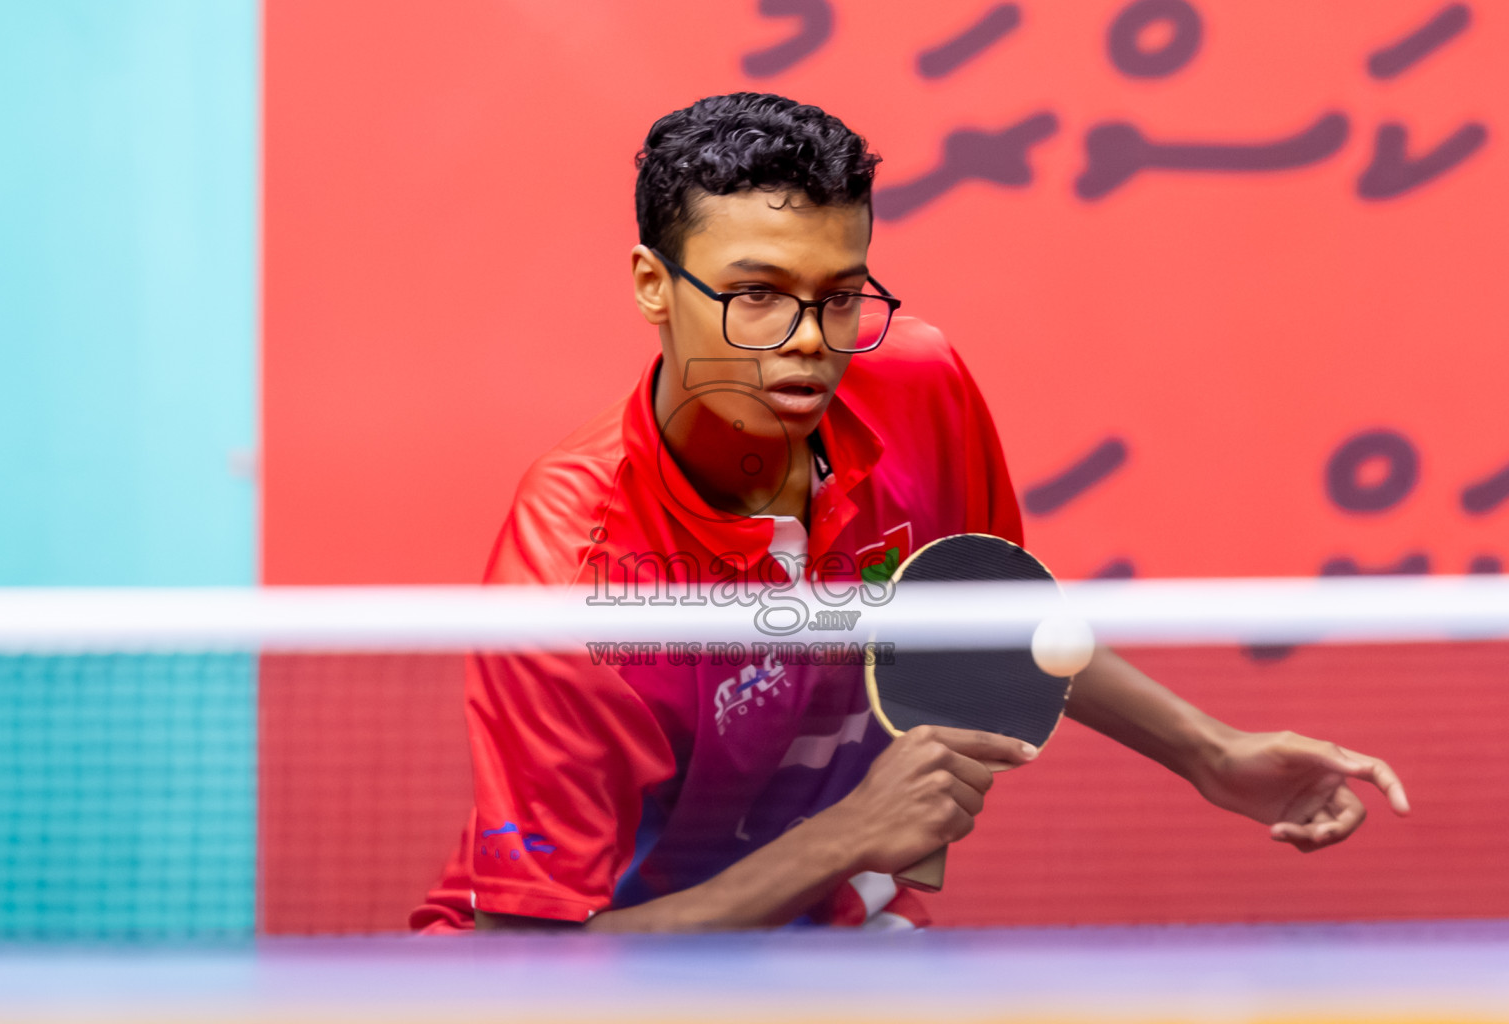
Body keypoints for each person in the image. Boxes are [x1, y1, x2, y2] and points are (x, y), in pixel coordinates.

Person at [410, 93, 1409, 933]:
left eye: (840, 295)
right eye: (757, 294)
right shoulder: (576, 567)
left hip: (832, 932)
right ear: (651, 287)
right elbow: (525, 966)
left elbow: (991, 621)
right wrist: (847, 835)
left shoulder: (915, 379)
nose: (809, 342)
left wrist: (1213, 752)